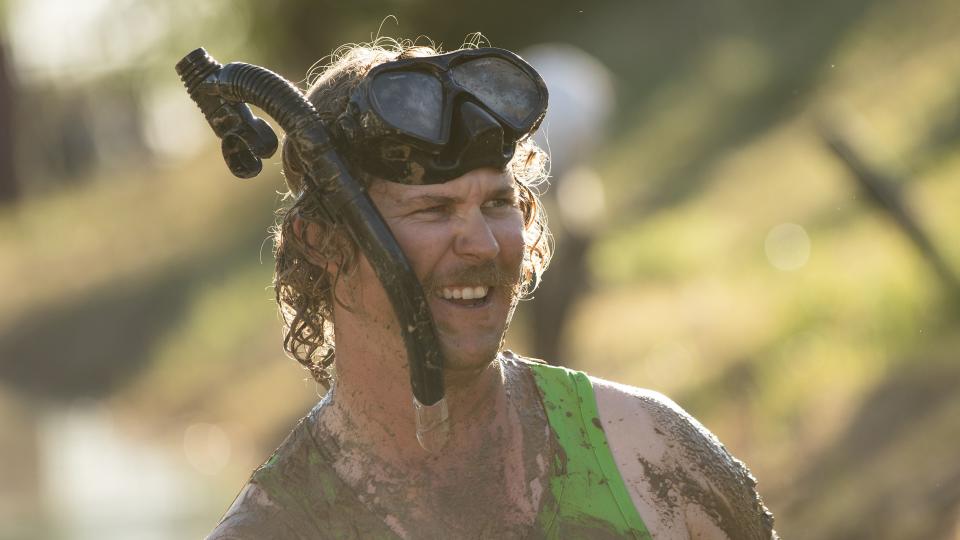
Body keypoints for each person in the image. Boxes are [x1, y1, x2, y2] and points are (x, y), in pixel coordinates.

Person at [207, 39, 777, 540]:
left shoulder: (651, 456)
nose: (482, 244)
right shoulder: (275, 530)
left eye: (498, 204)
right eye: (433, 210)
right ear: (323, 244)